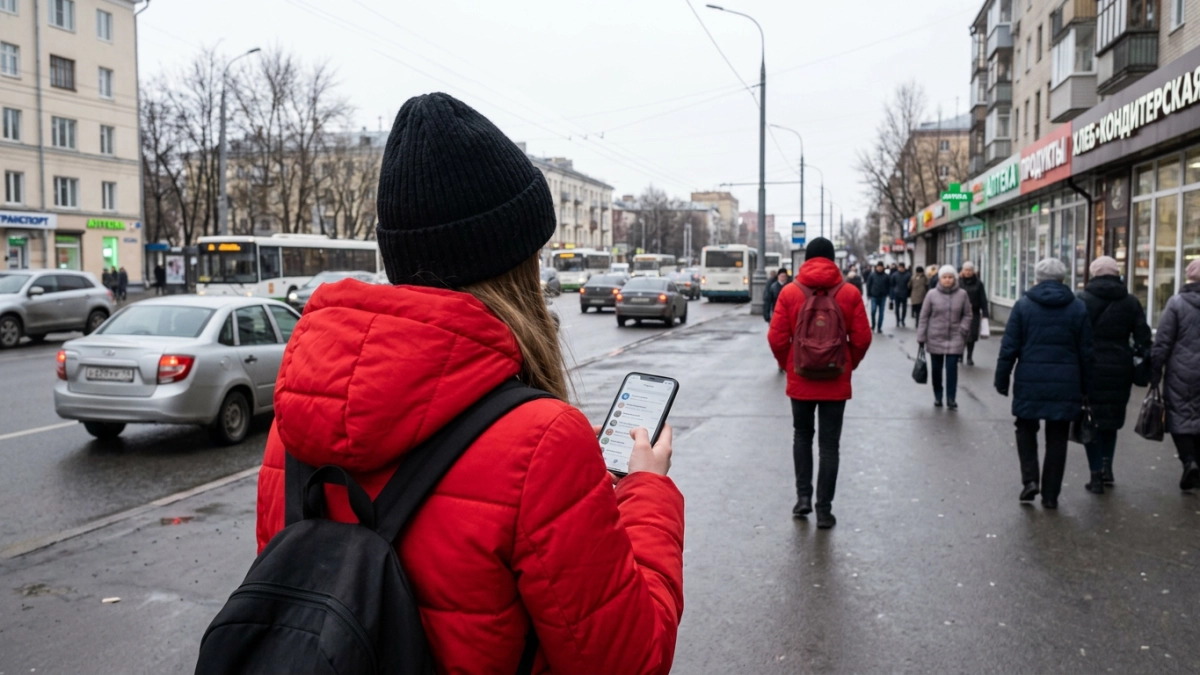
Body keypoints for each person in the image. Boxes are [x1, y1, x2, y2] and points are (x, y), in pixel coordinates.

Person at [254, 93, 684, 673]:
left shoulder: (294, 423)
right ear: (519, 265)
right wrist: (647, 492)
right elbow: (629, 659)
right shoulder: (541, 440)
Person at [768, 237, 872, 529]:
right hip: (835, 381)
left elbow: (776, 338)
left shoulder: (790, 292)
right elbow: (862, 338)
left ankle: (803, 499)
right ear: (832, 260)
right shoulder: (849, 292)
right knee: (829, 445)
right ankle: (824, 511)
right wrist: (846, 364)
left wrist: (789, 365)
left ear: (807, 260)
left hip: (800, 379)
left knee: (802, 437)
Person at [995, 258, 1094, 509]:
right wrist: (1087, 387)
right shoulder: (1077, 308)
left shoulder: (1023, 306)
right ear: (1063, 279)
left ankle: (1030, 480)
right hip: (1066, 383)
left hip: (1030, 381)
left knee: (1025, 429)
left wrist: (1002, 378)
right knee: (1057, 438)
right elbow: (1086, 352)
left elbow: (1009, 347)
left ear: (1036, 278)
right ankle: (1051, 495)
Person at [1078, 256, 1152, 494]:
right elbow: (1143, 335)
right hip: (1120, 367)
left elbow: (1075, 334)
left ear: (1093, 274)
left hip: (1091, 366)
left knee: (1091, 419)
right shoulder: (1130, 301)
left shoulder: (1083, 300)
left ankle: (1095, 474)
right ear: (1117, 274)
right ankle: (1108, 466)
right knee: (1111, 419)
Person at [1151, 258, 1200, 492]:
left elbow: (1163, 340)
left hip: (1182, 371)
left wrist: (1155, 369)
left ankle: (1189, 460)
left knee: (1180, 416)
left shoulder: (1177, 303)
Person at [917, 265, 971, 409]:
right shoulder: (931, 294)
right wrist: (921, 336)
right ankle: (938, 396)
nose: (947, 280)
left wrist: (963, 329)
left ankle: (951, 398)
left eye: (950, 277)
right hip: (935, 337)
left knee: (952, 369)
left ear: (955, 278)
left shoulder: (962, 294)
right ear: (940, 279)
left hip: (955, 337)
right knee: (937, 370)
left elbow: (967, 314)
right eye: (944, 277)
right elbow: (924, 316)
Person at [959, 261, 989, 366]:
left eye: (970, 270)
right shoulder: (959, 282)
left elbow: (983, 299)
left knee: (972, 335)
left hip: (974, 313)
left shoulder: (978, 283)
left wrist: (985, 314)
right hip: (960, 313)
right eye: (966, 270)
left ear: (973, 271)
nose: (967, 272)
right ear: (963, 271)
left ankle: (969, 357)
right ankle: (960, 355)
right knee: (961, 334)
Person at [864, 261, 889, 334]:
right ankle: (873, 325)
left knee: (881, 313)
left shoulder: (886, 276)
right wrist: (868, 294)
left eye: (881, 267)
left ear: (883, 267)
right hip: (874, 295)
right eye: (878, 266)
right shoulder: (872, 275)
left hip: (882, 296)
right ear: (876, 267)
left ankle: (879, 327)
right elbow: (868, 285)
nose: (880, 268)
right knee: (873, 311)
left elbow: (889, 285)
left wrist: (887, 293)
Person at [890, 262, 912, 328]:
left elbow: (910, 285)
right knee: (897, 308)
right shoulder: (895, 275)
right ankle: (897, 320)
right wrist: (894, 290)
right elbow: (892, 284)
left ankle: (902, 320)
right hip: (897, 293)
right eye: (899, 267)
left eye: (902, 267)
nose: (900, 269)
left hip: (904, 293)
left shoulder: (908, 275)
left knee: (904, 308)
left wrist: (908, 293)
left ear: (904, 267)